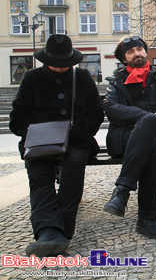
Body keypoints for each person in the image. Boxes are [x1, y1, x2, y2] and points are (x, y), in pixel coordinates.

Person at [9, 34, 104, 257]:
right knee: (39, 176)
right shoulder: (32, 78)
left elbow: (96, 112)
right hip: (39, 143)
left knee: (73, 169)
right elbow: (17, 118)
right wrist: (36, 132)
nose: (61, 68)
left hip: (77, 140)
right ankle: (47, 232)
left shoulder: (81, 76)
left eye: (65, 64)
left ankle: (60, 231)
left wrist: (80, 131)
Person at [103, 35, 156, 239]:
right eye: (131, 52)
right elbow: (111, 109)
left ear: (145, 52)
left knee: (153, 129)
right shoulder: (116, 80)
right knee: (155, 146)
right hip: (127, 137)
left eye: (139, 49)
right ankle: (148, 219)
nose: (137, 54)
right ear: (124, 59)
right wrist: (147, 116)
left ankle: (122, 191)